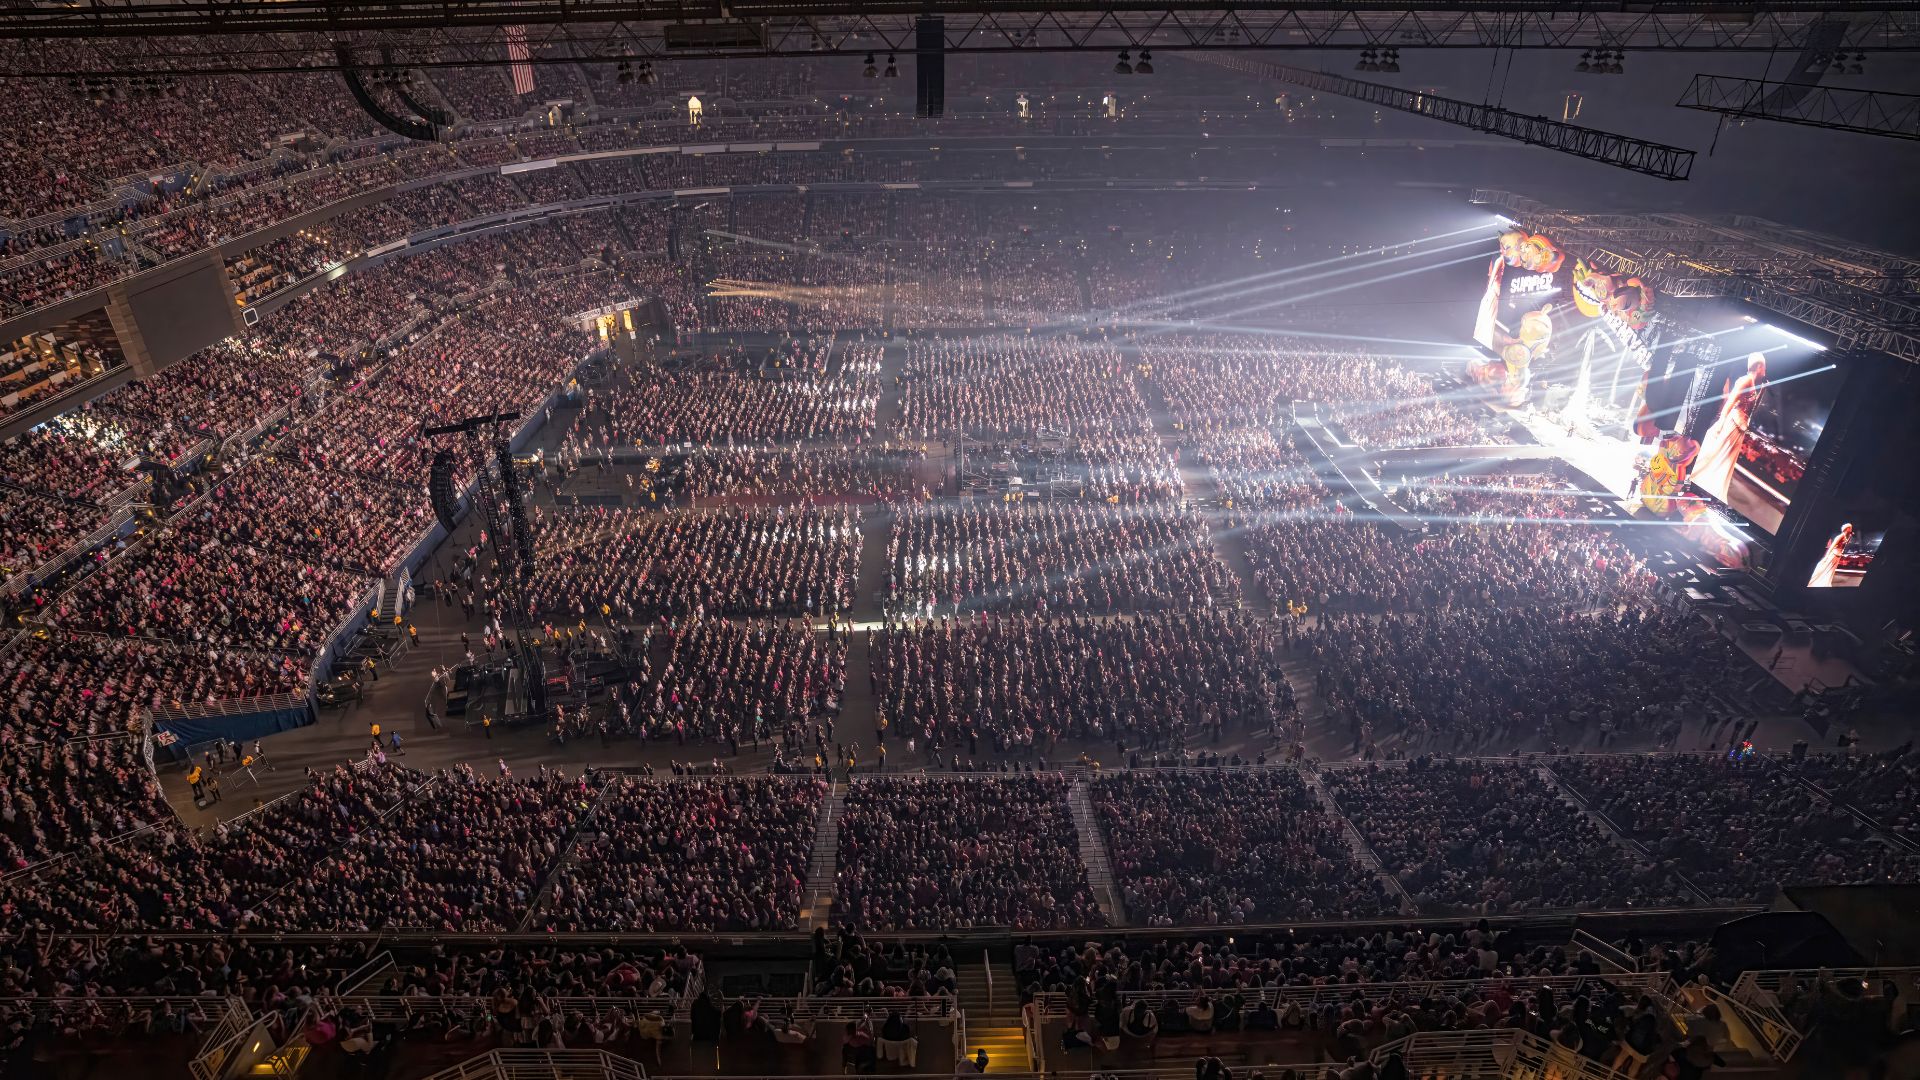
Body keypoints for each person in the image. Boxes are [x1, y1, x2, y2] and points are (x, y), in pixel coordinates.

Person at [1691, 353, 1766, 501]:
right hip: (1732, 424)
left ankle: (1708, 490)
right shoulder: (1745, 381)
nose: (1765, 371)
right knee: (1717, 456)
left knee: (1724, 461)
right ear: (1759, 366)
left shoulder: (1753, 383)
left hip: (1739, 427)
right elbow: (1731, 401)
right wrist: (1721, 423)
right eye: (1764, 367)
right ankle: (1701, 485)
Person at [1808, 523, 1854, 587]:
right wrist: (1826, 556)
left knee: (1831, 570)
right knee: (1827, 568)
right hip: (1834, 554)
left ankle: (1826, 581)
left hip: (1838, 555)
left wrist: (1850, 536)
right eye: (1851, 528)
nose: (1851, 529)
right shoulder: (1840, 536)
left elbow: (1846, 543)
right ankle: (1819, 581)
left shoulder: (1845, 536)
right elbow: (1832, 546)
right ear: (1847, 528)